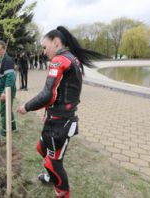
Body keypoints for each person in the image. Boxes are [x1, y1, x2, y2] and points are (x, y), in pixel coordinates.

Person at [16, 26, 104, 198]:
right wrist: (47, 112)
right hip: (55, 118)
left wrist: (26, 107)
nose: (43, 51)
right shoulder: (71, 58)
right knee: (42, 148)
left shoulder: (59, 60)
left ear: (56, 43)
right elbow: (60, 92)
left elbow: (47, 94)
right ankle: (50, 177)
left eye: (44, 46)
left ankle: (63, 193)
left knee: (53, 162)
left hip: (61, 122)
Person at [0, 40, 17, 138]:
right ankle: (13, 127)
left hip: (7, 90)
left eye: (0, 50)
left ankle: (4, 131)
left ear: (4, 49)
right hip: (3, 89)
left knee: (4, 110)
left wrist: (4, 93)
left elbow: (10, 78)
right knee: (8, 109)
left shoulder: (7, 60)